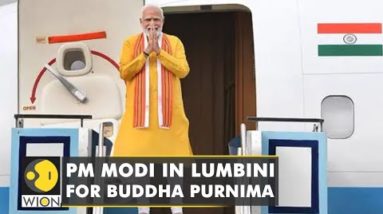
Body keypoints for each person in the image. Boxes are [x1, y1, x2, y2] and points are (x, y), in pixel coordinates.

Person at [113, 4, 192, 214]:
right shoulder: (130, 43)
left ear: (163, 22)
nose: (152, 24)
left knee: (174, 168)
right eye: (147, 20)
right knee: (140, 168)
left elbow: (183, 70)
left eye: (156, 19)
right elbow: (124, 72)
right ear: (141, 23)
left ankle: (177, 211)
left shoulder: (174, 42)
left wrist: (161, 53)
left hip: (169, 118)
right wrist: (146, 53)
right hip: (139, 120)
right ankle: (143, 211)